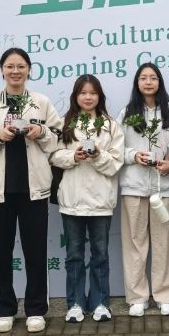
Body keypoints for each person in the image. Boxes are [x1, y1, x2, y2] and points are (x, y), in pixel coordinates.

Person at [0, 48, 63, 334]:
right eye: (10, 66)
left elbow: (58, 140)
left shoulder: (41, 102)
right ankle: (5, 309)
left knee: (36, 252)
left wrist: (41, 132)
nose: (15, 71)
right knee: (1, 252)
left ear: (29, 70)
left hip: (34, 190)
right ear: (1, 70)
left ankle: (36, 309)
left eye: (21, 66)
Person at [50, 74, 125, 323]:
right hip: (71, 201)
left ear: (100, 96)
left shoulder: (111, 126)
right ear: (76, 96)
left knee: (100, 254)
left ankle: (101, 302)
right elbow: (53, 156)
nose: (88, 97)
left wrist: (98, 156)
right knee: (74, 255)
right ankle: (75, 303)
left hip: (101, 201)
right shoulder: (64, 123)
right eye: (83, 93)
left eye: (93, 93)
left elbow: (116, 164)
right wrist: (74, 156)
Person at [116, 63, 169, 317]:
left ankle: (165, 295)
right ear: (137, 83)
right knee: (134, 243)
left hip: (163, 188)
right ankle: (137, 297)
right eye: (143, 78)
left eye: (153, 78)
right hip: (133, 187)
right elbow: (115, 148)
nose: (148, 82)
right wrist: (133, 155)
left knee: (165, 242)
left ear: (159, 82)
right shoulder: (126, 114)